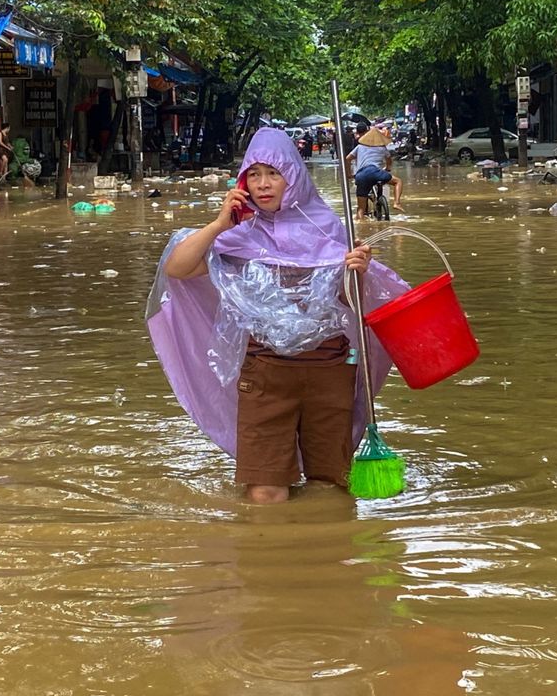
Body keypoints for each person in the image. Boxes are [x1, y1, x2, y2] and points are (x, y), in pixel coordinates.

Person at [149, 128, 410, 505]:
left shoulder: (331, 229)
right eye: (253, 174)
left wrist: (358, 271)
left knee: (329, 489)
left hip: (330, 369)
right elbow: (178, 269)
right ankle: (266, 559)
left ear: (294, 176)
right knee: (265, 492)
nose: (263, 184)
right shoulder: (238, 235)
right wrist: (221, 223)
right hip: (265, 371)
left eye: (274, 173)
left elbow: (348, 305)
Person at [345, 126, 396, 221]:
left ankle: (361, 226)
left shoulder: (360, 146)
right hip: (377, 172)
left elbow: (347, 159)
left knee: (360, 208)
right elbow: (389, 161)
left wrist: (349, 174)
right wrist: (388, 169)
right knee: (390, 182)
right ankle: (393, 202)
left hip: (361, 174)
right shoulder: (382, 148)